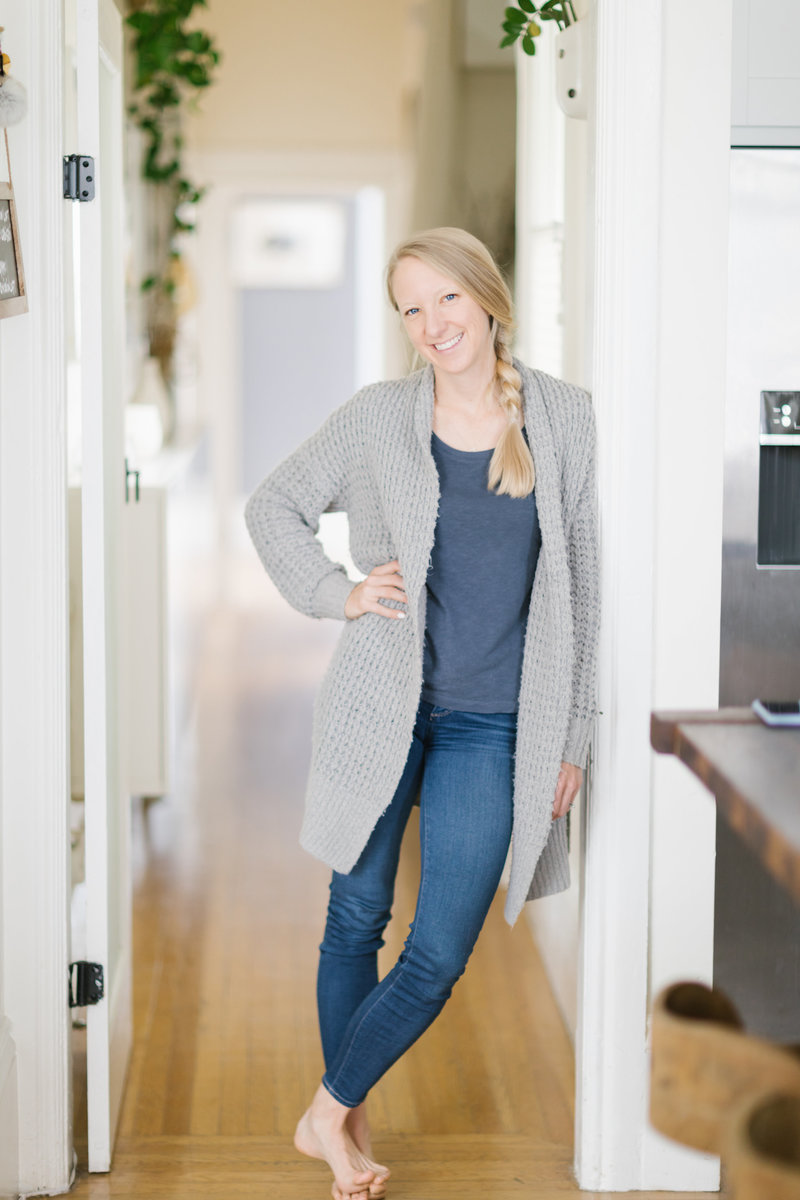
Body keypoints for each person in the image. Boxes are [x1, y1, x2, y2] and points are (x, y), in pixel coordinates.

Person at [244, 227, 600, 1200]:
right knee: (353, 915)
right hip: (380, 706)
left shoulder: (563, 419)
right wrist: (336, 591)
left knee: (438, 950)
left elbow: (584, 592)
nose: (431, 325)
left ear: (487, 299)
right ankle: (345, 1137)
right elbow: (272, 505)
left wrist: (571, 735)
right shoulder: (376, 418)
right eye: (410, 307)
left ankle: (323, 1108)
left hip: (494, 729)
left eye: (445, 299)